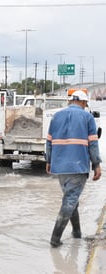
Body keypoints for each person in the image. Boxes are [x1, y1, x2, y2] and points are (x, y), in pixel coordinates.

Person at [46, 90, 102, 248]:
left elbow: (49, 141)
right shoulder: (87, 117)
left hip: (60, 165)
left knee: (71, 198)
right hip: (77, 165)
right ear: (83, 103)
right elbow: (93, 143)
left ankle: (77, 233)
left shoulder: (56, 116)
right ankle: (55, 239)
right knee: (70, 200)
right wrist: (96, 165)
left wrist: (49, 160)